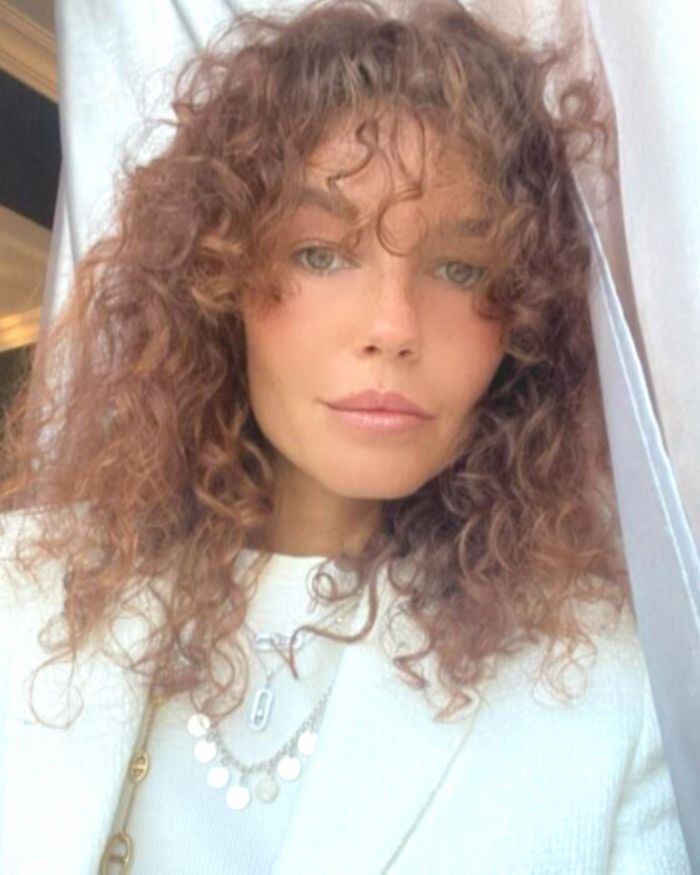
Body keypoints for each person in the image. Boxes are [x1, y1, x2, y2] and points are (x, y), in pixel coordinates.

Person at [0, 0, 691, 872]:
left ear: (522, 317)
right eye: (322, 253)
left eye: (460, 268)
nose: (393, 325)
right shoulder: (19, 598)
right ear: (220, 272)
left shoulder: (608, 690)